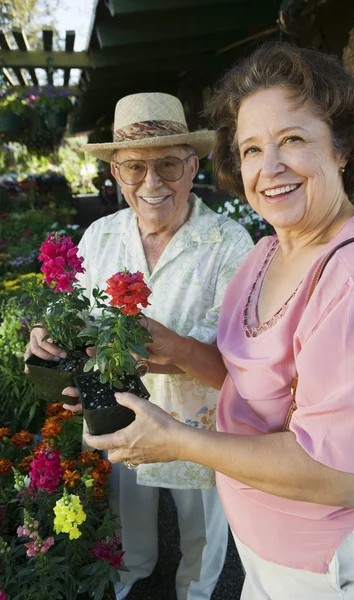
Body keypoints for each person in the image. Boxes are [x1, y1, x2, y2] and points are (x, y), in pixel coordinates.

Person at [83, 43, 354, 600]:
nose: (269, 167)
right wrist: (173, 351)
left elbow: (342, 477)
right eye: (252, 148)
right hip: (263, 542)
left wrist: (180, 440)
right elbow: (247, 382)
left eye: (293, 140)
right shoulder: (267, 252)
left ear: (342, 145)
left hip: (317, 561)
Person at [26, 92, 253, 600]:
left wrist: (165, 349)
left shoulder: (231, 243)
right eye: (134, 168)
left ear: (192, 165)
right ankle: (131, 577)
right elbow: (77, 315)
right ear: (115, 174)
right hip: (114, 411)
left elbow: (238, 361)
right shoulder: (99, 237)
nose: (152, 183)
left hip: (201, 423)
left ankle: (195, 591)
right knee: (128, 519)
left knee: (202, 530)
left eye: (168, 164)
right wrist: (48, 335)